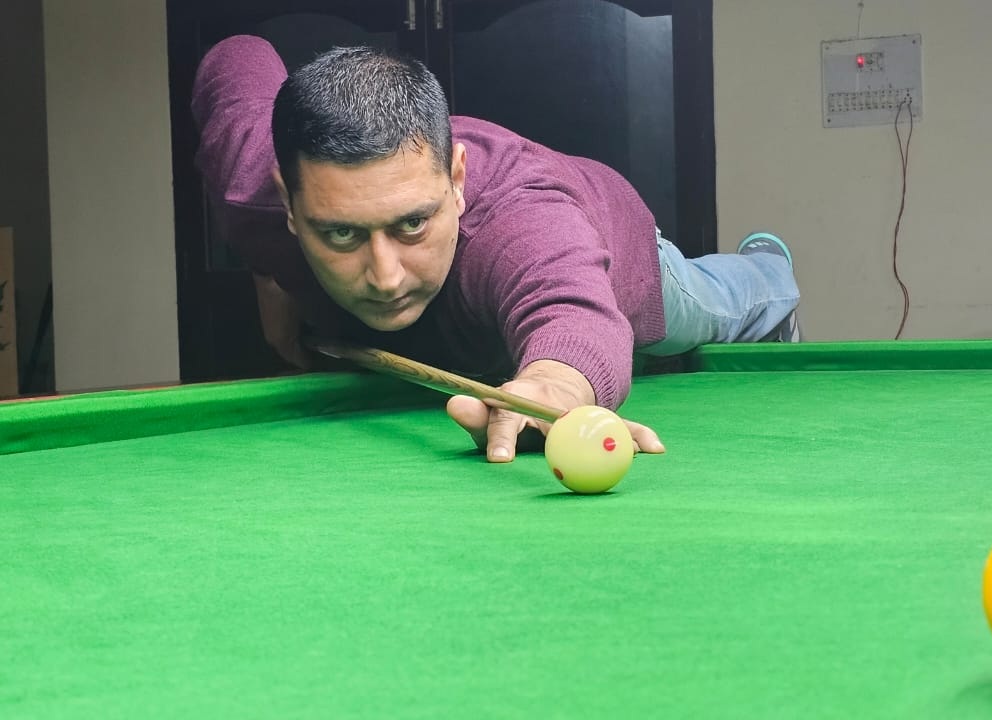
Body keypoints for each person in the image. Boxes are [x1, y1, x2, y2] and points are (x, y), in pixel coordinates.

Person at [191, 35, 800, 462]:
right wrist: (269, 273)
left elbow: (572, 316)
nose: (385, 276)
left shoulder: (521, 223)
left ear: (456, 181)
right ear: (287, 202)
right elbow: (237, 54)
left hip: (612, 244)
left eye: (412, 224)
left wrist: (553, 385)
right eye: (342, 234)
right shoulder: (248, 184)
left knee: (709, 306)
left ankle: (768, 266)